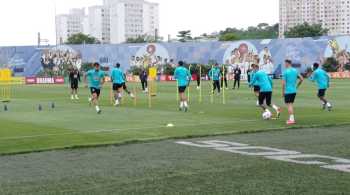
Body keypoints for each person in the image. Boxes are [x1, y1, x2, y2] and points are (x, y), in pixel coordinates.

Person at [282, 60, 304, 125]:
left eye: (285, 63)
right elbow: (302, 79)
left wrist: (283, 92)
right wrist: (297, 86)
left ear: (287, 63)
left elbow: (283, 83)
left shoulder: (285, 72)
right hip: (294, 90)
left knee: (289, 105)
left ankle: (292, 120)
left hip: (288, 91)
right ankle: (291, 118)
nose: (284, 65)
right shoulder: (295, 70)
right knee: (290, 104)